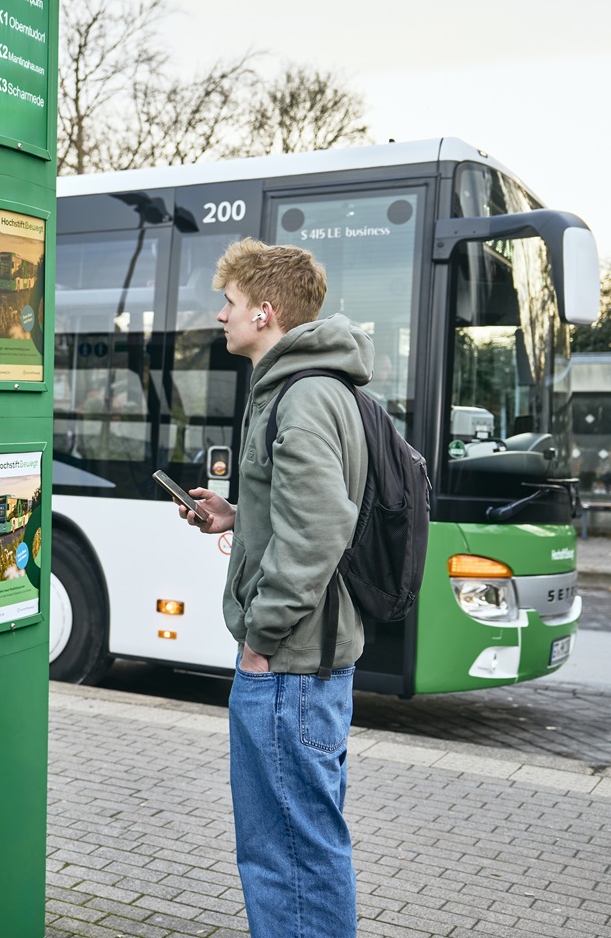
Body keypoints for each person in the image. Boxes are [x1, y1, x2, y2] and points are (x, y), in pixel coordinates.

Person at [174, 238, 371, 937]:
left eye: (228, 303)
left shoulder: (304, 394)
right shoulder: (306, 384)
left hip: (289, 667)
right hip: (302, 664)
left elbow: (320, 530)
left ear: (263, 311)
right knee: (295, 845)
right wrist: (236, 515)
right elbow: (301, 510)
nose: (219, 314)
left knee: (289, 854)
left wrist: (260, 639)